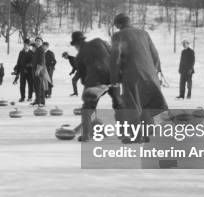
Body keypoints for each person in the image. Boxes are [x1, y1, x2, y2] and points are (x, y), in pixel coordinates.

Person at [110, 14, 168, 143]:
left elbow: (115, 59)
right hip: (150, 75)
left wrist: (114, 80)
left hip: (132, 76)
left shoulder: (118, 36)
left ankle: (136, 136)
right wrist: (153, 71)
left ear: (118, 25)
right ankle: (146, 135)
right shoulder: (144, 33)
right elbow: (155, 55)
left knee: (132, 106)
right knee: (146, 104)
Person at [72, 31, 115, 142]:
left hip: (95, 82)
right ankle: (99, 130)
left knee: (88, 106)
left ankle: (86, 135)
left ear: (76, 45)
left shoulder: (79, 56)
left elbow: (83, 76)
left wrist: (88, 86)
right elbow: (111, 52)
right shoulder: (98, 41)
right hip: (112, 77)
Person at [31, 37, 51, 106]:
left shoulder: (41, 49)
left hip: (39, 70)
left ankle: (41, 101)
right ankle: (37, 100)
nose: (38, 42)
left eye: (39, 41)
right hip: (35, 69)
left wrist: (38, 70)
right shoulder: (37, 49)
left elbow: (42, 61)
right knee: (37, 86)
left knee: (39, 86)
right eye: (36, 41)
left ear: (41, 42)